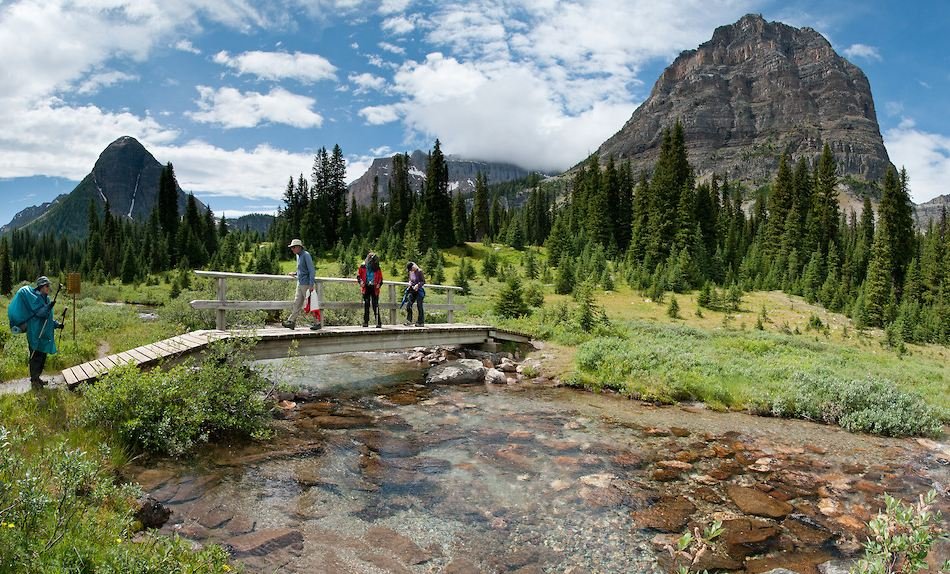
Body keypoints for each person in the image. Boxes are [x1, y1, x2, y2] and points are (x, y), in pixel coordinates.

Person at [6, 276, 64, 388]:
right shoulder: (34, 298)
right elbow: (40, 313)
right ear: (41, 286)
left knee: (42, 357)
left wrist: (57, 325)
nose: (48, 288)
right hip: (35, 333)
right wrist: (49, 307)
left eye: (49, 286)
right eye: (47, 286)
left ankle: (38, 378)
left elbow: (47, 318)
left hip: (43, 333)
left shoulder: (46, 299)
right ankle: (34, 381)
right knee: (35, 356)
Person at [282, 239, 319, 330]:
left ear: (299, 247)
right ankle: (291, 321)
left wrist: (311, 284)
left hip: (306, 283)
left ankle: (317, 323)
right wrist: (295, 273)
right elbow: (302, 270)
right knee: (297, 302)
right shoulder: (298, 256)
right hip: (300, 282)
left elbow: (311, 270)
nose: (292, 249)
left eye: (293, 247)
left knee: (310, 303)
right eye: (291, 248)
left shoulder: (306, 255)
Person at [357, 252, 383, 328]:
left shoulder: (377, 267)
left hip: (375, 288)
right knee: (366, 304)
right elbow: (359, 276)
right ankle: (365, 322)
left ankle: (378, 322)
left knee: (375, 305)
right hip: (366, 287)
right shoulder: (363, 266)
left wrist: (379, 284)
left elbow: (381, 279)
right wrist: (360, 282)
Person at [404, 261, 425, 327]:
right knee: (408, 305)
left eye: (411, 269)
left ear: (413, 267)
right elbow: (410, 279)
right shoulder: (410, 272)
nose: (411, 270)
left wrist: (418, 285)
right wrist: (410, 283)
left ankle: (420, 322)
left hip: (419, 291)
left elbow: (423, 281)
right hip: (412, 290)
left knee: (419, 306)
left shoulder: (419, 271)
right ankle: (409, 321)